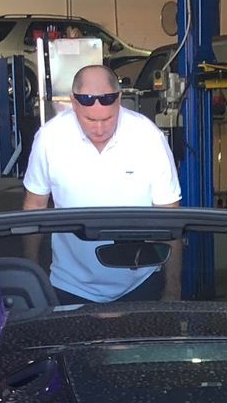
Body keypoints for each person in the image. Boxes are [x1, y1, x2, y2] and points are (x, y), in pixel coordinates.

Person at [21, 63, 182, 302]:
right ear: (73, 103)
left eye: (108, 119)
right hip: (70, 286)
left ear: (118, 100)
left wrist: (173, 288)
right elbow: (34, 207)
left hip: (140, 284)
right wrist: (30, 273)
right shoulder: (49, 139)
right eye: (89, 119)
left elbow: (169, 216)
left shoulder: (148, 138)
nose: (99, 128)